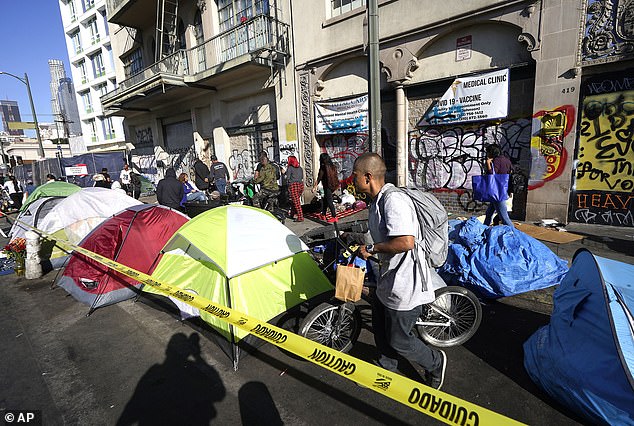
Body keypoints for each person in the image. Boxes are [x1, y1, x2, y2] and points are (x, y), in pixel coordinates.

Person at [354, 152, 447, 390]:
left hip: (407, 282)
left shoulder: (393, 200)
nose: (350, 180)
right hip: (389, 277)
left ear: (367, 177)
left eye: (354, 175)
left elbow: (406, 242)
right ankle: (388, 369)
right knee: (381, 325)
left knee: (399, 339)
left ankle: (435, 363)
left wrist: (372, 249)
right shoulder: (376, 201)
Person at [483, 144, 514, 227]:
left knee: (504, 218)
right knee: (489, 213)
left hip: (497, 191)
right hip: (503, 189)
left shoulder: (497, 160)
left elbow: (492, 174)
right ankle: (484, 229)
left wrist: (488, 163)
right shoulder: (507, 160)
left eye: (488, 152)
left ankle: (514, 233)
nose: (487, 154)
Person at [312, 153, 338, 222]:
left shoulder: (323, 167)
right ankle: (323, 215)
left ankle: (334, 216)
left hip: (327, 186)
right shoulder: (333, 166)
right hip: (333, 185)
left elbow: (319, 178)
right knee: (326, 200)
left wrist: (315, 186)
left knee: (329, 201)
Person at [284, 155, 304, 222]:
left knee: (296, 202)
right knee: (294, 200)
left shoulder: (290, 168)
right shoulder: (300, 168)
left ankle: (300, 217)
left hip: (293, 185)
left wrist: (284, 174)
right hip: (300, 185)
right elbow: (302, 177)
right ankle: (292, 214)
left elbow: (288, 178)